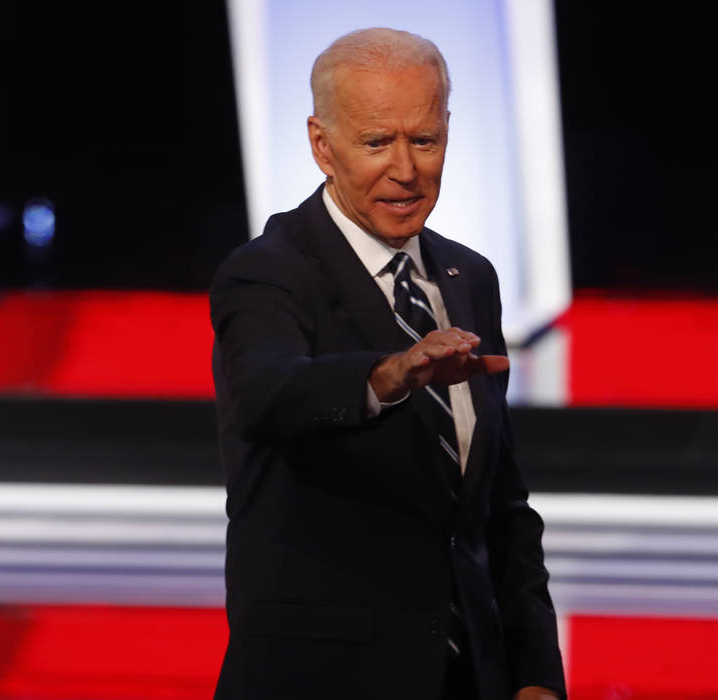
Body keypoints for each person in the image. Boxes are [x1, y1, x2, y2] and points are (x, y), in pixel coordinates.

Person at [210, 27, 565, 700]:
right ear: (323, 144)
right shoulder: (266, 274)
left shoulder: (469, 279)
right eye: (377, 143)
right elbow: (270, 396)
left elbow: (500, 508)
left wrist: (537, 676)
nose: (405, 169)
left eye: (424, 140)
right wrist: (390, 376)